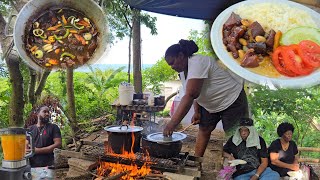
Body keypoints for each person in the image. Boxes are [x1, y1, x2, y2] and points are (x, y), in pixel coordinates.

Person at [163, 39, 249, 157]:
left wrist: (172, 124)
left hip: (232, 100)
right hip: (211, 105)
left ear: (181, 55)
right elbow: (195, 93)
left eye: (172, 62)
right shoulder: (183, 72)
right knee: (204, 129)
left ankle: (238, 167)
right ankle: (197, 161)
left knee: (235, 135)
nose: (171, 67)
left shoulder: (197, 62)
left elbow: (191, 94)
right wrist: (197, 111)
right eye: (169, 65)